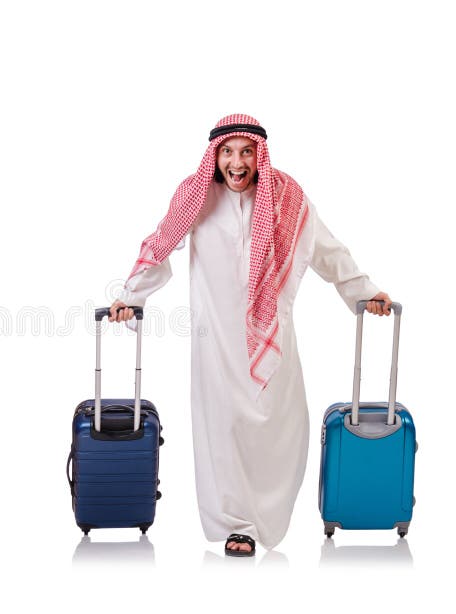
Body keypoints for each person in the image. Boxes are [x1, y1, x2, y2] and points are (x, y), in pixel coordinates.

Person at [108, 114, 391, 557]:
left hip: (271, 333)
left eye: (245, 152)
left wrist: (364, 290)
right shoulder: (196, 196)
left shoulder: (287, 198)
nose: (236, 162)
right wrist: (131, 296)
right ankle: (237, 525)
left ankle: (268, 518)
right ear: (214, 156)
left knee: (281, 426)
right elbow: (162, 244)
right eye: (226, 152)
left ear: (259, 155)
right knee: (221, 429)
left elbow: (326, 250)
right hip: (215, 338)